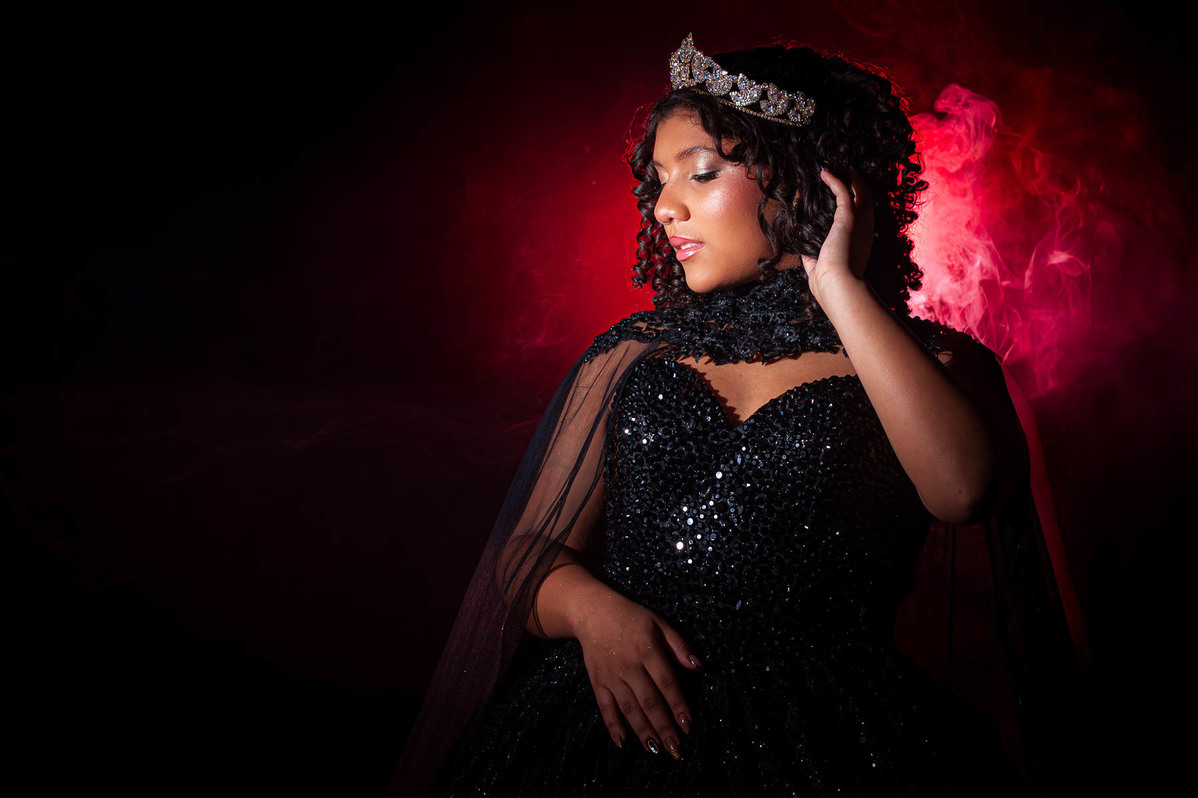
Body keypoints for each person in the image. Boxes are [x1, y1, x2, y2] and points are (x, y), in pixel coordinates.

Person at [390, 34, 1081, 797]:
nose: (665, 207)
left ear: (805, 179)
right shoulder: (631, 356)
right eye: (659, 180)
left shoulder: (934, 364)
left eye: (701, 172)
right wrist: (593, 614)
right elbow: (527, 552)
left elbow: (965, 491)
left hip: (830, 745)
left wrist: (840, 289)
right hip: (609, 732)